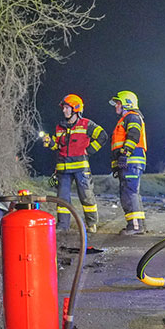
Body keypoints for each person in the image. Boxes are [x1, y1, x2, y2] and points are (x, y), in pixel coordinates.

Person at [43, 94, 108, 232]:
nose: (64, 111)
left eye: (67, 108)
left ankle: (91, 224)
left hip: (80, 168)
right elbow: (58, 146)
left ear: (76, 109)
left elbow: (103, 136)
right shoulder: (59, 127)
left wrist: (89, 150)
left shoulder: (86, 124)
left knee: (86, 196)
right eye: (64, 108)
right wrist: (50, 143)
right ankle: (63, 226)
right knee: (62, 199)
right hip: (63, 169)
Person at [109, 91, 147, 235]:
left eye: (118, 103)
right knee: (131, 192)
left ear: (127, 104)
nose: (116, 106)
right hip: (129, 161)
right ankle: (138, 224)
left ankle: (135, 226)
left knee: (129, 193)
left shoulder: (132, 117)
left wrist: (125, 154)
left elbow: (133, 136)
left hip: (131, 160)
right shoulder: (127, 118)